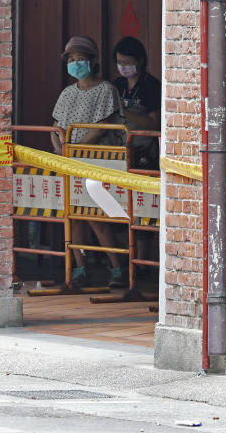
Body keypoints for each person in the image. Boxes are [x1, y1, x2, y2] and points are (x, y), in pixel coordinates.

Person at [51, 35, 126, 288]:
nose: (75, 63)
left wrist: (74, 147)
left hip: (98, 162)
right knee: (73, 216)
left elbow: (103, 126)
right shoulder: (67, 93)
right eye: (71, 59)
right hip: (70, 162)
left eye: (80, 58)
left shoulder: (106, 90)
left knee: (95, 216)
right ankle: (79, 268)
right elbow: (55, 127)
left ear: (92, 61)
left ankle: (118, 268)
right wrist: (61, 150)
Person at [112, 36, 162, 170]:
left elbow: (154, 123)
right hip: (117, 148)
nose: (122, 66)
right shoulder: (117, 84)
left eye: (126, 62)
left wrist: (124, 111)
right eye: (119, 62)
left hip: (143, 151)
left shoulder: (151, 85)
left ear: (140, 60)